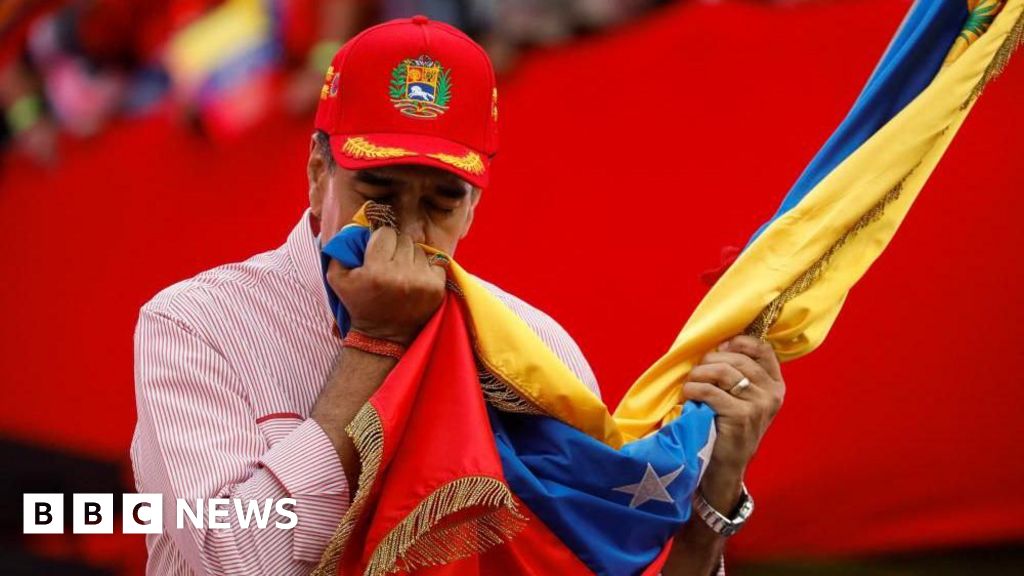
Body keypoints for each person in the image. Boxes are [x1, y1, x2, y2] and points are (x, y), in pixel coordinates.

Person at [131, 15, 785, 576]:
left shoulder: (531, 351)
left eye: (441, 203)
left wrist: (713, 498)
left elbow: (583, 560)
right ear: (318, 171)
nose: (408, 232)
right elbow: (237, 557)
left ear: (473, 206)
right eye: (378, 193)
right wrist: (377, 344)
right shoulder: (195, 325)